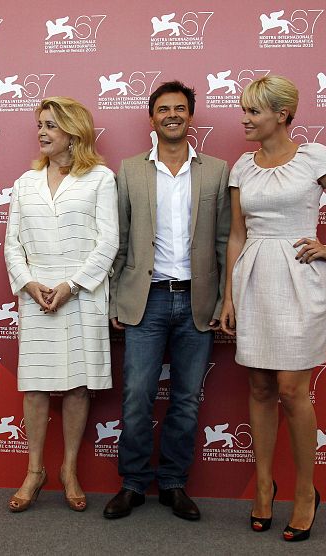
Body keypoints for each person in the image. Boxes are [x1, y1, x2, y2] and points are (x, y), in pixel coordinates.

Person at [219, 75, 326, 541]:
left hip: (299, 274)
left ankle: (305, 491)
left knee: (292, 389)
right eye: (244, 110)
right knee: (260, 385)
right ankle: (264, 487)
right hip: (254, 276)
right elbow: (236, 234)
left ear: (282, 115)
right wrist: (229, 295)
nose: (244, 118)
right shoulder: (242, 167)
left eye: (253, 111)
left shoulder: (315, 157)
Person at [103, 81, 230, 521]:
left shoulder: (216, 170)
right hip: (146, 300)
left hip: (198, 300)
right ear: (151, 118)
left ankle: (174, 484)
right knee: (137, 395)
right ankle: (134, 484)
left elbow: (224, 241)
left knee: (186, 398)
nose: (172, 115)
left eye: (180, 108)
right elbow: (118, 241)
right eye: (163, 109)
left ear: (190, 117)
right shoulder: (130, 170)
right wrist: (113, 299)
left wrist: (223, 301)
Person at [3, 96, 119, 513]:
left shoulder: (100, 179)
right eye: (40, 124)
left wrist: (72, 284)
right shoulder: (24, 183)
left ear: (73, 131)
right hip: (36, 296)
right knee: (34, 386)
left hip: (81, 295)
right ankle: (35, 472)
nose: (42, 132)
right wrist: (30, 283)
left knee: (75, 386)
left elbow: (109, 242)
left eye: (50, 125)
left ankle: (69, 469)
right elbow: (12, 244)